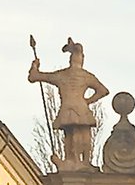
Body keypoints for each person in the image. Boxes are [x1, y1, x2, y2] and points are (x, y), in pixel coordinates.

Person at [28, 38, 109, 170]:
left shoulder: (62, 75)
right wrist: (87, 101)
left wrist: (35, 66)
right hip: (81, 108)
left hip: (67, 108)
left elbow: (34, 77)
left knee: (71, 135)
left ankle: (73, 161)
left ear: (70, 59)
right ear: (81, 59)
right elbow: (103, 91)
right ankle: (83, 162)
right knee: (84, 135)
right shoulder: (86, 76)